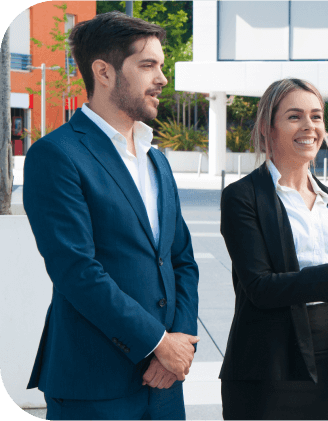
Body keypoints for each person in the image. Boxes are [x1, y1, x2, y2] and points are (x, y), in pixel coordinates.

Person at [23, 11, 199, 420]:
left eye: (162, 66)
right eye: (147, 65)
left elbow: (181, 259)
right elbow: (76, 270)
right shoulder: (56, 155)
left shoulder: (158, 161)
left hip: (166, 382)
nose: (162, 79)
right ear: (103, 71)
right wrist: (158, 342)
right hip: (94, 383)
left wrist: (180, 344)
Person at [219, 78, 328, 420]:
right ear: (268, 129)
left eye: (316, 116)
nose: (309, 126)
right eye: (294, 116)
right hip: (268, 367)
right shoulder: (243, 197)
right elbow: (259, 287)